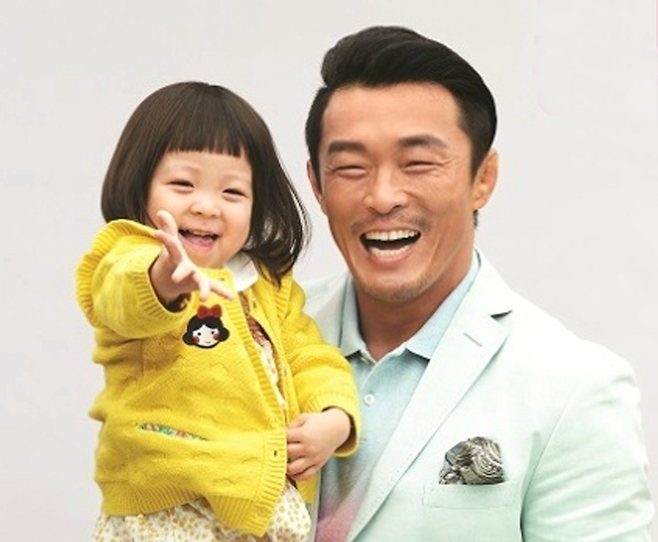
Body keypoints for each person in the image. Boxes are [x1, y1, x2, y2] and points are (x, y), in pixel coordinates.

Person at [302, 25, 653, 541]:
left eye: (418, 164)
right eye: (351, 167)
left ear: (482, 178)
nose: (382, 196)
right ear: (317, 184)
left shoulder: (572, 387)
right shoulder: (250, 329)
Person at [75, 81, 360, 542]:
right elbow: (120, 298)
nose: (206, 206)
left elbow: (309, 356)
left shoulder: (266, 283)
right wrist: (165, 278)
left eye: (232, 192)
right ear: (140, 184)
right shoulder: (129, 257)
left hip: (257, 505)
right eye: (182, 184)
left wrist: (334, 418)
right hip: (169, 507)